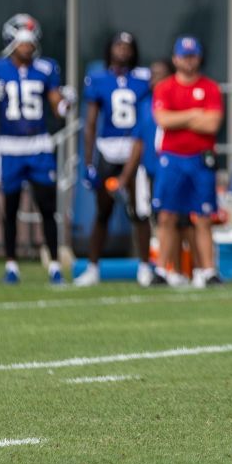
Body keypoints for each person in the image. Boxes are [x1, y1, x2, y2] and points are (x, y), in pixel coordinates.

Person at [0, 13, 76, 285]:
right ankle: (11, 265)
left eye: (30, 41)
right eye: (22, 41)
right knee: (10, 208)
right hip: (10, 145)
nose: (27, 46)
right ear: (11, 41)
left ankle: (54, 265)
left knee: (47, 206)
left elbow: (58, 107)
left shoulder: (46, 68)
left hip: (38, 144)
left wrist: (66, 103)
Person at [74, 32, 152, 287]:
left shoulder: (142, 78)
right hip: (107, 148)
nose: (123, 51)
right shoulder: (98, 79)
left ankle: (144, 266)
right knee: (103, 211)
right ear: (109, 49)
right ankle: (93, 267)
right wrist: (87, 161)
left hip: (133, 147)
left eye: (128, 46)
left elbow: (146, 116)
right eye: (118, 45)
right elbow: (90, 123)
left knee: (139, 211)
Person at [151, 36, 225, 288]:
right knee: (167, 215)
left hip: (200, 160)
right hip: (172, 159)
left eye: (192, 56)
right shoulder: (165, 87)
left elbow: (212, 123)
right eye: (184, 56)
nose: (188, 60)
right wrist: (194, 114)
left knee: (204, 216)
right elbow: (163, 120)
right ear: (175, 58)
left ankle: (207, 270)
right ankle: (162, 268)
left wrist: (180, 118)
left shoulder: (211, 87)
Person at [120, 59, 173, 286]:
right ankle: (152, 266)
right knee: (147, 216)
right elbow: (138, 142)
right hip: (150, 169)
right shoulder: (145, 104)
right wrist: (125, 175)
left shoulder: (177, 98)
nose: (154, 80)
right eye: (152, 75)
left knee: (174, 219)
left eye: (160, 75)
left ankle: (176, 268)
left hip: (173, 167)